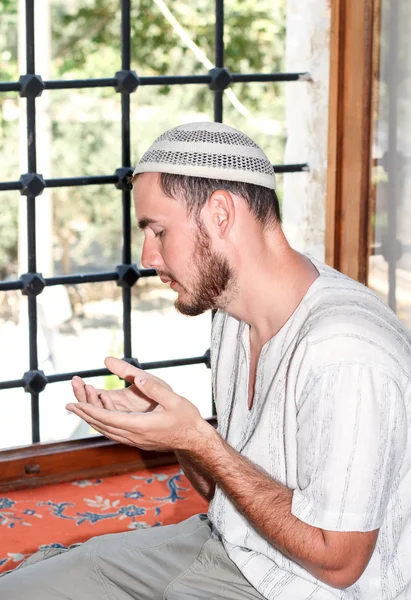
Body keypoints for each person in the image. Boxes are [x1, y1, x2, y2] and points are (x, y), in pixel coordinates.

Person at [1, 121, 410, 599]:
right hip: (230, 549)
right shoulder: (232, 317)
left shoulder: (347, 351)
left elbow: (339, 562)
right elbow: (228, 496)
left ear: (219, 213)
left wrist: (201, 439)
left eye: (157, 230)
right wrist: (178, 435)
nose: (147, 255)